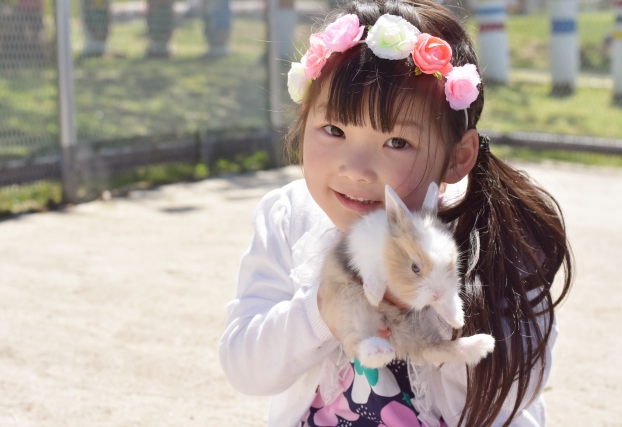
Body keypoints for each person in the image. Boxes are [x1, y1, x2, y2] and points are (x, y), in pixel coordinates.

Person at [219, 0, 573, 426]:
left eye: (396, 143)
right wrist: (322, 312)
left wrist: (433, 306)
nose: (355, 169)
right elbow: (244, 366)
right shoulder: (289, 217)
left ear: (458, 157)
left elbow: (509, 395)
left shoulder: (486, 237)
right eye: (334, 130)